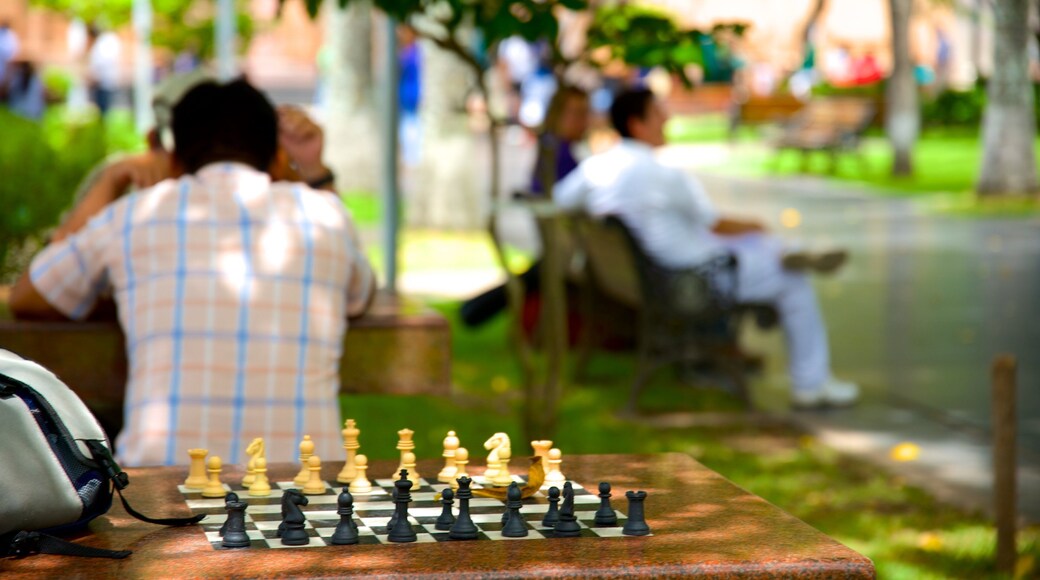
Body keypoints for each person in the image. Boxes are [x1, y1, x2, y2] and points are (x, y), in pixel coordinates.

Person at [8, 78, 375, 466]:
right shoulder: (326, 215)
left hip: (164, 491)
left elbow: (31, 294)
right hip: (307, 492)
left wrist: (113, 176)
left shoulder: (135, 216)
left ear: (175, 157)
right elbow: (360, 296)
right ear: (275, 157)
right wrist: (311, 172)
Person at [553, 89, 858, 408]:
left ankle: (787, 251)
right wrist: (756, 224)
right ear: (637, 124)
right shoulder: (664, 175)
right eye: (658, 114)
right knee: (793, 280)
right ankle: (811, 382)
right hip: (692, 283)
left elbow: (559, 201)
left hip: (643, 279)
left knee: (757, 249)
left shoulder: (596, 168)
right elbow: (714, 223)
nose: (666, 120)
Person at [460, 85, 591, 328]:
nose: (584, 120)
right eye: (576, 113)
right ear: (557, 115)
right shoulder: (557, 153)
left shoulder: (557, 149)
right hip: (570, 249)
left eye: (585, 112)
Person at [86, 24, 121, 116]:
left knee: (104, 107)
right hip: (100, 81)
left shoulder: (106, 41)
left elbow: (102, 61)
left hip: (103, 80)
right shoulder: (104, 41)